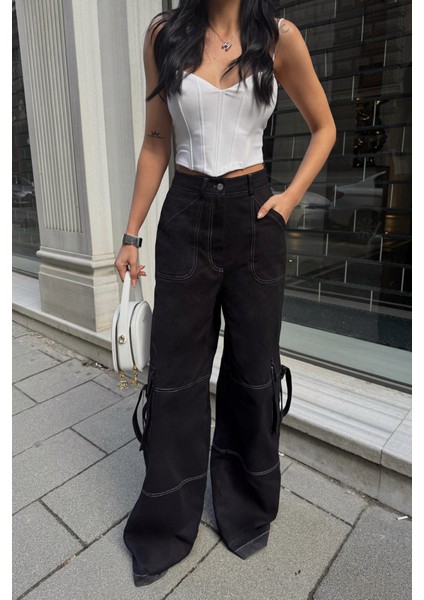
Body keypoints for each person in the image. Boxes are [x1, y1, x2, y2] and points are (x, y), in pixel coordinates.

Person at [114, 0, 336, 587]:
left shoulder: (278, 37)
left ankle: (246, 507)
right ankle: (166, 522)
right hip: (185, 215)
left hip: (253, 216)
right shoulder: (164, 34)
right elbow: (157, 140)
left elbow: (325, 127)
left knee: (253, 368)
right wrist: (132, 233)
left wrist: (287, 200)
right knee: (175, 373)